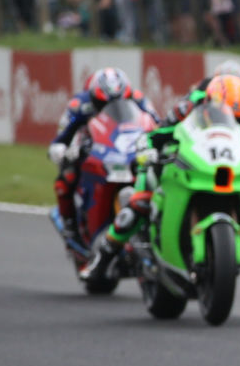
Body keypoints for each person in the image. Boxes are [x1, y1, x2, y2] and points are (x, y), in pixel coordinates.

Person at [79, 75, 240, 281]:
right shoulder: (190, 105)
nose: (233, 118)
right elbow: (161, 130)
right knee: (141, 199)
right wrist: (148, 149)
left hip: (219, 166)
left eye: (238, 116)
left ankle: (231, 247)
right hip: (178, 160)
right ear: (210, 99)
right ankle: (103, 256)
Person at [46, 67, 159, 243]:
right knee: (66, 177)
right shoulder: (79, 105)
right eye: (103, 104)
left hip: (127, 151)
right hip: (92, 152)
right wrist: (64, 151)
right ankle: (69, 224)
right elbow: (60, 139)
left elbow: (157, 126)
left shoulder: (139, 100)